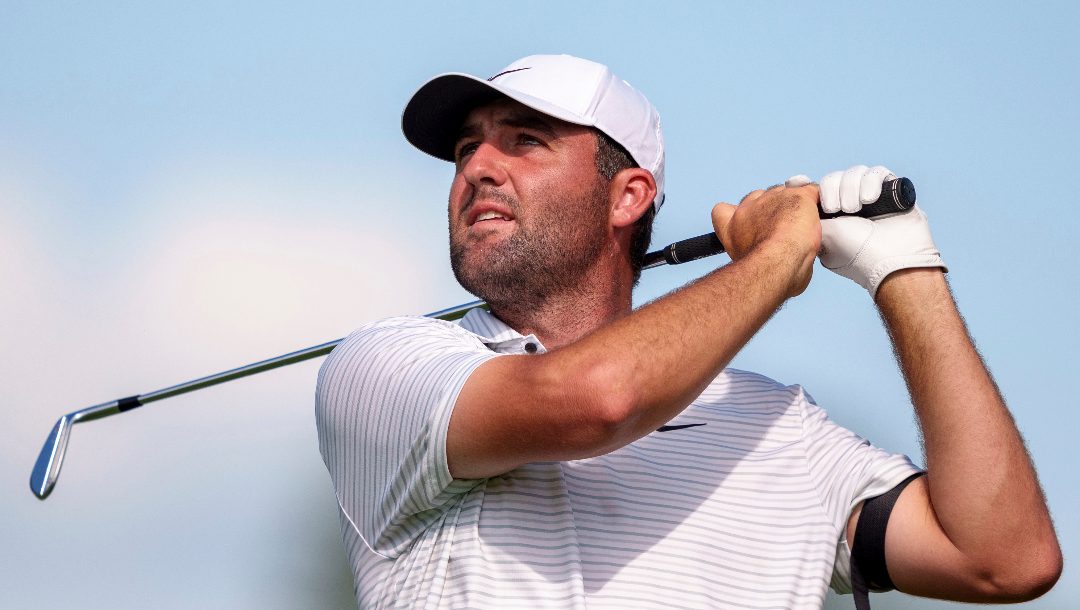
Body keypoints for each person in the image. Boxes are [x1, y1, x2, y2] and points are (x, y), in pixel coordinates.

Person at [315, 55, 1061, 609]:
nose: (477, 166)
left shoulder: (778, 427)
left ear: (628, 197)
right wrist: (779, 255)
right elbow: (601, 400)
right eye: (465, 149)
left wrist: (906, 270)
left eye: (526, 141)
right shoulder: (385, 367)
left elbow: (1005, 559)